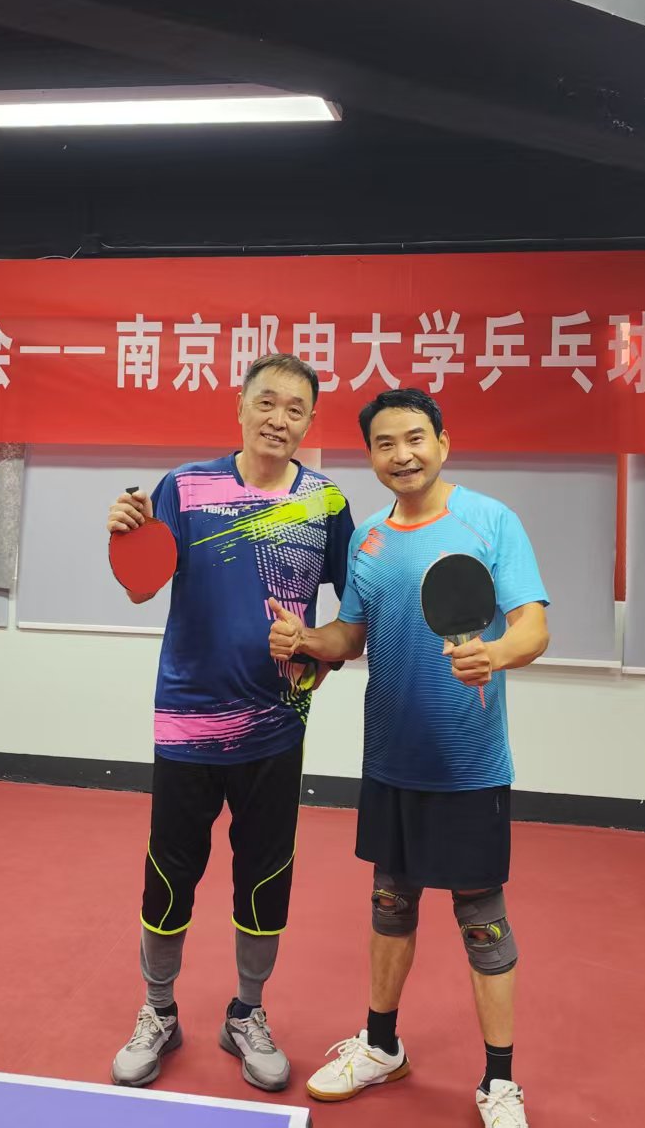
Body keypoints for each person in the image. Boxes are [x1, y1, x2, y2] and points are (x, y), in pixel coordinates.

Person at [269, 387, 550, 1128]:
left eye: (416, 438)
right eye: (386, 443)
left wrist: (495, 653)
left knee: (481, 917)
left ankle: (500, 1081)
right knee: (390, 904)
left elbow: (533, 626)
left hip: (469, 765)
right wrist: (307, 639)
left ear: (443, 443)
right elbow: (351, 636)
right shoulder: (367, 538)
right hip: (391, 759)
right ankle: (382, 1045)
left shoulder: (490, 520)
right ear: (371, 456)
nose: (403, 454)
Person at [105, 353, 354, 1092]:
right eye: (266, 403)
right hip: (187, 722)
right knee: (170, 871)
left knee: (265, 872)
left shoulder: (326, 503)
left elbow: (354, 623)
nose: (279, 419)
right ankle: (158, 1009)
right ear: (240, 406)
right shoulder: (185, 488)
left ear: (310, 422)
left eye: (296, 409)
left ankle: (247, 1011)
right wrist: (123, 532)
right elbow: (142, 585)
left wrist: (313, 646)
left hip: (276, 726)